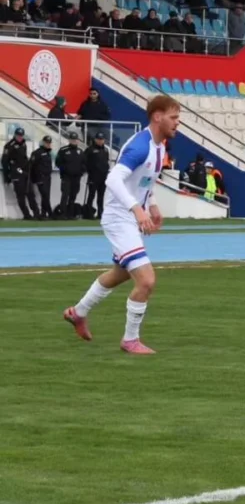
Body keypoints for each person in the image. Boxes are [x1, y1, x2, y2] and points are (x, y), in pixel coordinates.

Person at [62, 95, 181, 355]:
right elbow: (113, 179)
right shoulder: (141, 146)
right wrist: (137, 209)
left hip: (129, 216)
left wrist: (152, 204)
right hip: (119, 217)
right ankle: (130, 340)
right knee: (147, 281)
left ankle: (78, 312)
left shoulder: (160, 147)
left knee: (120, 273)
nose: (177, 123)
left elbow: (144, 182)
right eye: (173, 117)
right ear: (157, 116)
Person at [2, 127, 36, 220]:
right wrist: (7, 175)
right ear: (15, 135)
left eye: (21, 135)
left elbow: (24, 158)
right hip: (16, 173)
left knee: (30, 193)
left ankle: (36, 213)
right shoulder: (9, 145)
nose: (20, 137)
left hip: (25, 172)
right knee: (20, 195)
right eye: (18, 135)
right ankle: (27, 215)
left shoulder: (24, 144)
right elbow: (4, 161)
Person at [55, 131, 85, 219]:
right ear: (69, 140)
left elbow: (84, 164)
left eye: (75, 140)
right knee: (65, 195)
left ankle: (70, 214)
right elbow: (58, 163)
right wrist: (64, 170)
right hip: (66, 177)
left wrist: (81, 172)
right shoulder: (63, 150)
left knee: (73, 195)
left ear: (78, 141)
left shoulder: (80, 151)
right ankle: (62, 213)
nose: (74, 141)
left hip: (76, 178)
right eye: (72, 140)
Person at [84, 131, 109, 218]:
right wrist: (89, 171)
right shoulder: (90, 149)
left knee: (101, 196)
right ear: (95, 139)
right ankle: (88, 213)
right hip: (93, 177)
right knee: (91, 195)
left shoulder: (106, 150)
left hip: (103, 177)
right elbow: (84, 162)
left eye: (102, 139)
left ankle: (100, 213)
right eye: (98, 139)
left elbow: (106, 162)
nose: (100, 141)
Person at [30, 135, 54, 219]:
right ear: (43, 142)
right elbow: (32, 166)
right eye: (47, 143)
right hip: (41, 177)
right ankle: (50, 213)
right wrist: (34, 178)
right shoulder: (37, 153)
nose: (48, 144)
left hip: (48, 177)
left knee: (46, 196)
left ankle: (44, 214)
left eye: (49, 143)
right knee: (45, 195)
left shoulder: (48, 153)